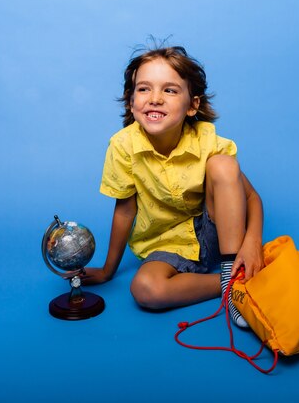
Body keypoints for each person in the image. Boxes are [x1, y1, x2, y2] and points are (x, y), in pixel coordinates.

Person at [82, 45, 264, 327]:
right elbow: (124, 211)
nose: (155, 99)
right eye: (143, 89)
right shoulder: (123, 146)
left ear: (192, 105)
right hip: (166, 245)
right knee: (145, 289)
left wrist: (251, 244)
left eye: (169, 90)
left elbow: (252, 198)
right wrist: (108, 270)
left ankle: (232, 270)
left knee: (223, 164)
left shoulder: (208, 141)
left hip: (218, 233)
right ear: (131, 102)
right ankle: (231, 284)